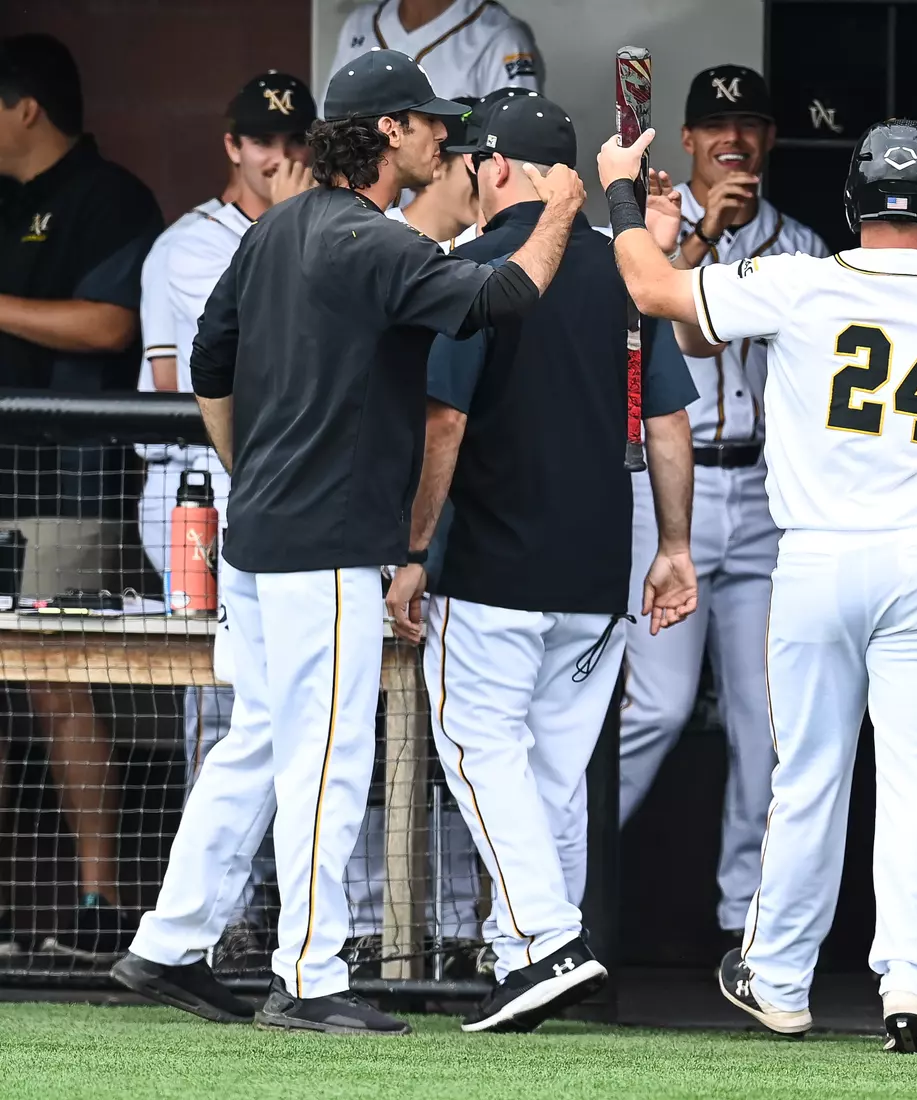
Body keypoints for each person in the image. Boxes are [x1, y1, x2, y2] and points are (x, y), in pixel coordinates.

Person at [112, 48, 586, 1036]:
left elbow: (209, 360)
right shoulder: (375, 242)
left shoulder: (277, 226)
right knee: (325, 756)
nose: (439, 141)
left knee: (255, 743)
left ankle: (168, 939)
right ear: (384, 135)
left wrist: (251, 469)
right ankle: (309, 972)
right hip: (321, 544)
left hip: (259, 534)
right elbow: (501, 299)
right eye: (423, 124)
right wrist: (562, 211)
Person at [598, 118, 917, 1052]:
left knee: (809, 773)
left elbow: (652, 288)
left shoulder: (804, 278)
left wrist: (619, 190)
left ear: (854, 201)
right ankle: (907, 986)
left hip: (817, 553)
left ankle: (779, 979)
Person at [383, 96, 700, 1032]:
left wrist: (410, 548)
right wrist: (675, 547)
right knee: (551, 776)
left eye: (472, 159)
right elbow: (670, 422)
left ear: (495, 168)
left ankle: (546, 938)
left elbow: (444, 421)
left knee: (481, 753)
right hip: (597, 568)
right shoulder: (626, 272)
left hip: (491, 564)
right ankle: (533, 961)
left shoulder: (478, 268)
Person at [616, 65, 829, 949]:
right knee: (657, 708)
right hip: (669, 488)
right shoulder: (652, 233)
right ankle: (557, 883)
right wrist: (702, 237)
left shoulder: (808, 248)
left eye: (748, 125)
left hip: (768, 492)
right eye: (715, 126)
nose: (732, 140)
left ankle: (746, 921)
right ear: (692, 139)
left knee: (767, 723)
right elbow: (658, 321)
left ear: (770, 139)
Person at [135, 70, 317, 963]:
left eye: (293, 139)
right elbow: (199, 383)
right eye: (261, 139)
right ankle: (227, 918)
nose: (277, 154)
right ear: (231, 145)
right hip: (196, 495)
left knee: (298, 717)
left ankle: (297, 922)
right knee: (230, 709)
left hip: (281, 498)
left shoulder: (319, 231)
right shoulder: (188, 246)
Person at [0, 33, 162, 961]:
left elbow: (110, 324)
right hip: (2, 480)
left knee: (58, 686)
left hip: (67, 483)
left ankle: (99, 905)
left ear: (26, 107)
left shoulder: (110, 197)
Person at [331, 0, 540, 99]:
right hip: (361, 184)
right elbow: (327, 125)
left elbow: (518, 149)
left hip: (450, 184)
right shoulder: (359, 24)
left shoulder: (500, 35)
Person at [386, 94, 480, 250]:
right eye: (476, 162)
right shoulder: (381, 238)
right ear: (437, 164)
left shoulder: (487, 247)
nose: (486, 176)